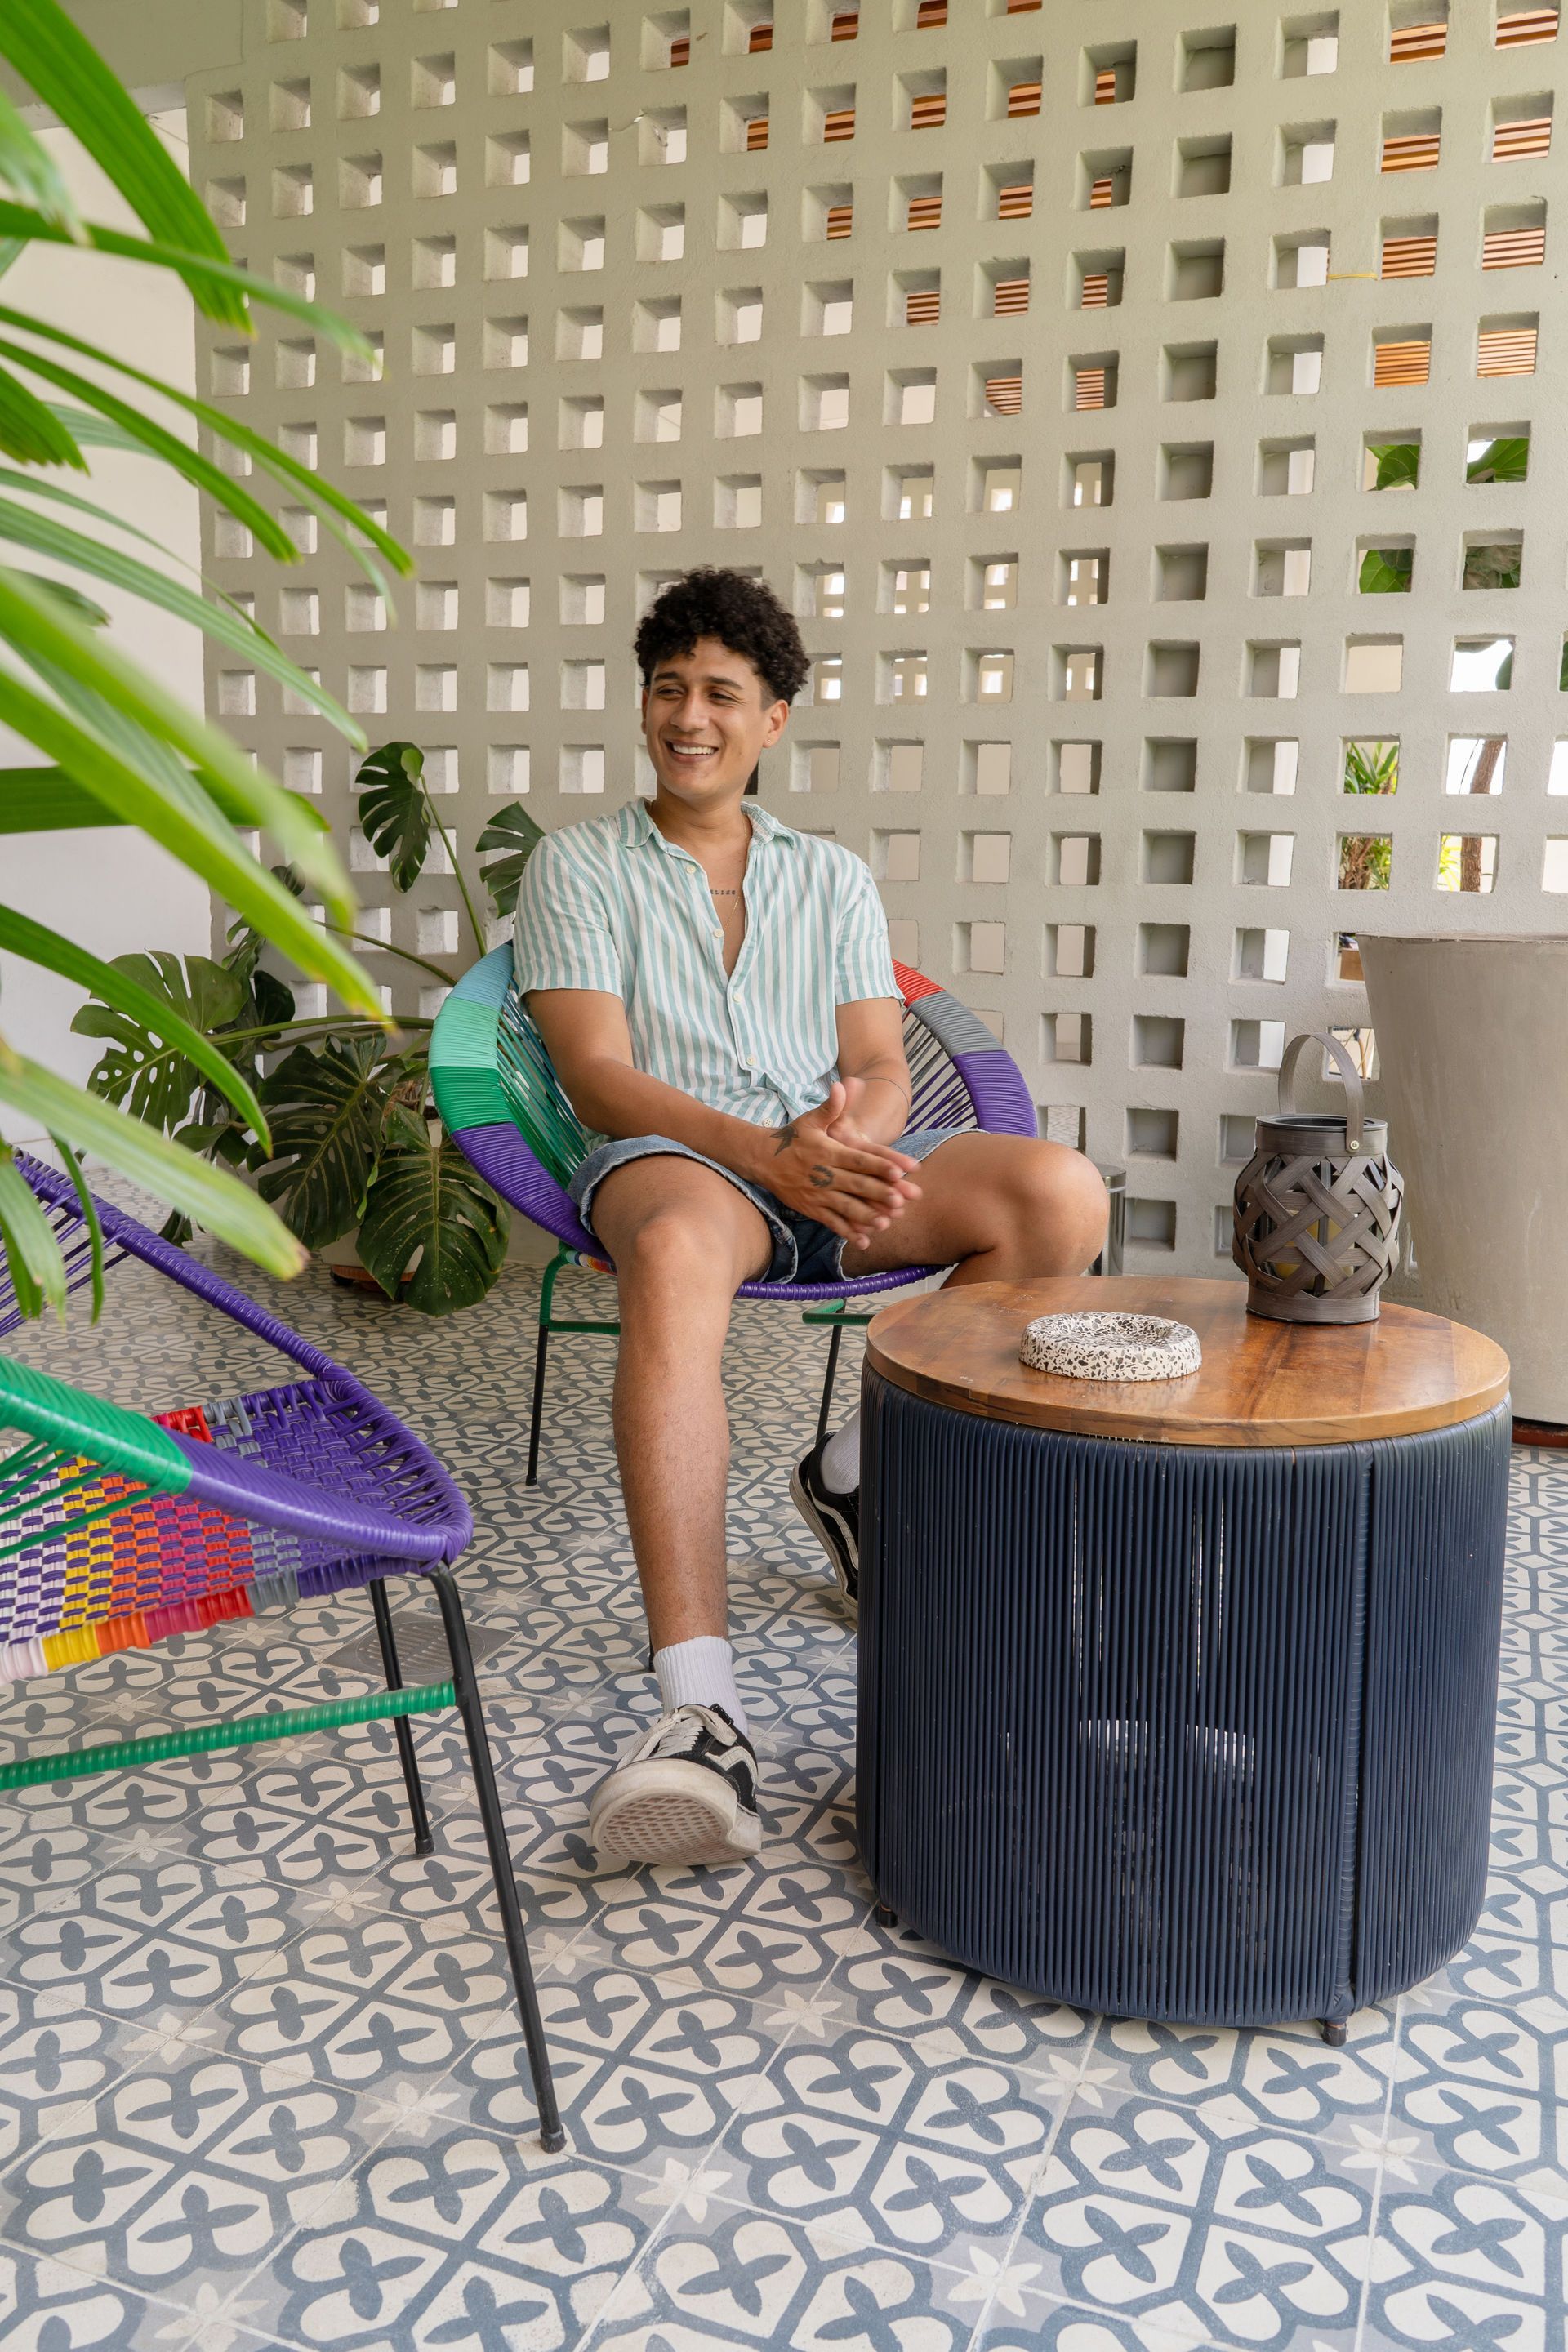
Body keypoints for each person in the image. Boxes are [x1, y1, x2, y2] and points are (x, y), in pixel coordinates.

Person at [514, 568, 1108, 1868]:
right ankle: (702, 1711)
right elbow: (597, 1075)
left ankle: (857, 1465)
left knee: (1058, 1192)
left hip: (820, 1163)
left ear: (773, 719)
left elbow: (882, 1064)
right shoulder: (578, 865)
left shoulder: (830, 879)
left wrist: (848, 1137)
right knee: (675, 1245)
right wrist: (764, 1156)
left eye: (722, 694)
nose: (689, 717)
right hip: (681, 1162)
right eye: (668, 689)